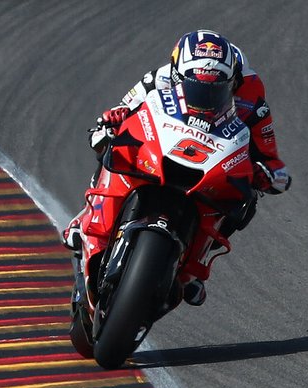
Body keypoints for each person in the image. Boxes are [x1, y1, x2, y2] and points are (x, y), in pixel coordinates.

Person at [62, 29, 291, 307]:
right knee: (115, 143)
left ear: (233, 81)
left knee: (246, 199)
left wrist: (268, 174)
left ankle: (195, 269)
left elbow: (269, 156)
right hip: (164, 146)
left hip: (213, 160)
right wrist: (107, 124)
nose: (205, 96)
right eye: (196, 87)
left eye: (215, 89)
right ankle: (90, 215)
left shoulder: (253, 101)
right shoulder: (158, 78)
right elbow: (121, 110)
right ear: (177, 73)